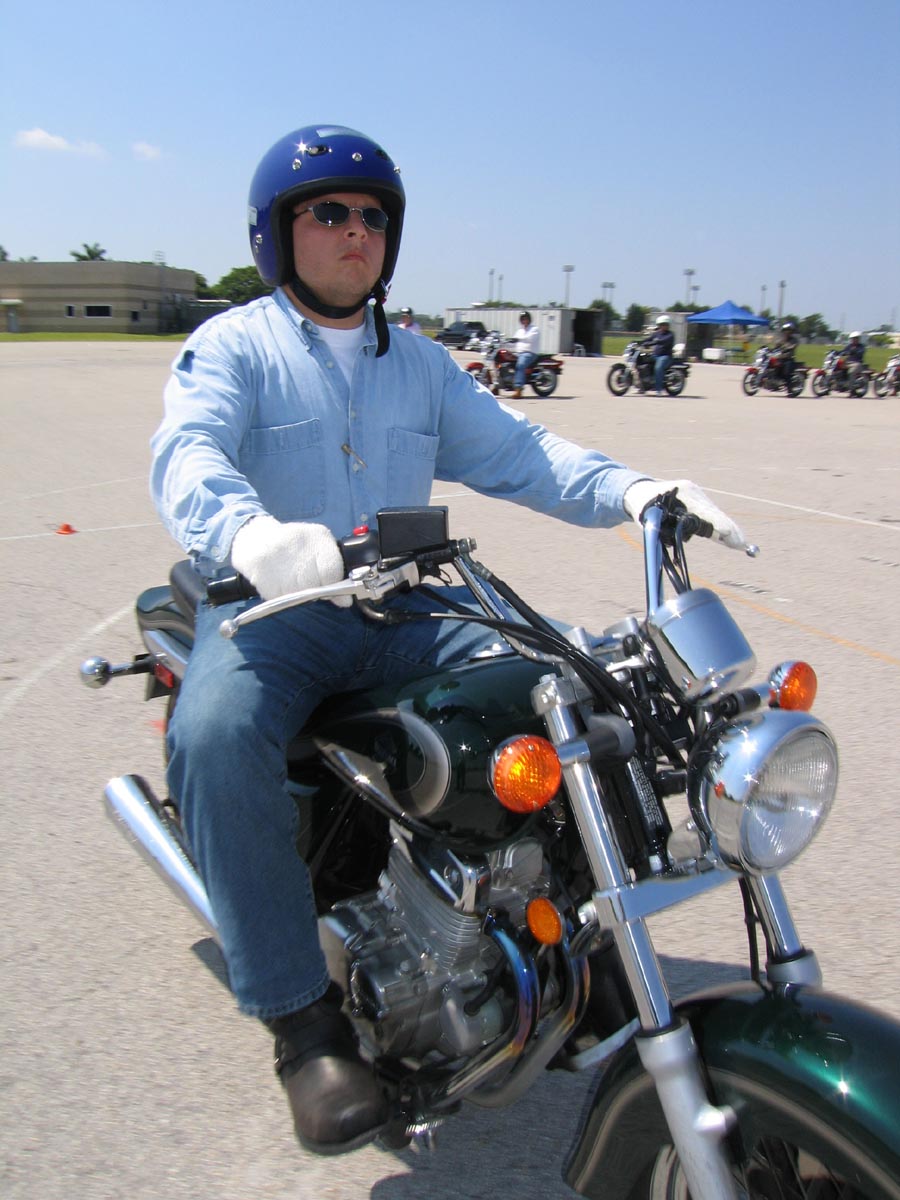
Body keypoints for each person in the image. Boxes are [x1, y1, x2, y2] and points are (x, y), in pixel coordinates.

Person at [150, 123, 748, 1158]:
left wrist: (636, 491)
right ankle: (304, 1025)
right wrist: (250, 534)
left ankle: (576, 932)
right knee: (211, 737)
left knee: (571, 683)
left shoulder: (420, 364)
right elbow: (187, 452)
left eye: (372, 215)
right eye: (328, 212)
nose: (355, 230)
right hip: (273, 612)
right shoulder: (235, 345)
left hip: (404, 610)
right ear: (277, 233)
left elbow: (522, 453)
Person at [510, 311, 539, 398]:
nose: (524, 320)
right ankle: (497, 386)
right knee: (502, 361)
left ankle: (518, 389)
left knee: (520, 365)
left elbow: (530, 339)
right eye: (522, 319)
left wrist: (518, 339)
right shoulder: (520, 331)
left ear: (529, 319)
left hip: (529, 353)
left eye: (526, 319)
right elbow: (513, 341)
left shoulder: (534, 329)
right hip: (518, 353)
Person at [644, 315, 675, 395]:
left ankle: (658, 389)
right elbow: (649, 339)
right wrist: (640, 341)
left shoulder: (670, 334)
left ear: (668, 325)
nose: (663, 326)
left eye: (665, 324)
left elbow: (663, 340)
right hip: (655, 355)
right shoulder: (656, 333)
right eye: (661, 324)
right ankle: (642, 386)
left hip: (665, 356)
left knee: (658, 368)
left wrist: (655, 342)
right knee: (642, 363)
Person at [773, 320, 800, 390]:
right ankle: (773, 380)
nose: (786, 332)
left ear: (791, 332)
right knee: (772, 366)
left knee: (787, 372)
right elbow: (776, 346)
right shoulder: (781, 340)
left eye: (788, 331)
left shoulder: (794, 340)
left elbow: (793, 346)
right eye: (785, 330)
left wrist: (788, 348)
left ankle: (790, 388)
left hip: (788, 359)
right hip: (780, 358)